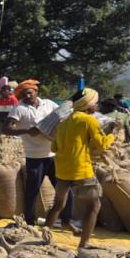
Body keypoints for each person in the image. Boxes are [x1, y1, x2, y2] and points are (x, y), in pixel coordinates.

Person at [45, 88, 114, 248]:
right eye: (95, 103)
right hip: (81, 170)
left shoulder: (64, 122)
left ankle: (44, 238)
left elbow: (54, 147)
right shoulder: (88, 120)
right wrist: (112, 136)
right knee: (94, 205)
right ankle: (83, 244)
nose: (97, 106)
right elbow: (102, 144)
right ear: (88, 105)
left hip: (62, 171)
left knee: (58, 205)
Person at [3, 79, 72, 226]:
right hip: (34, 157)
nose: (27, 96)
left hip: (53, 155)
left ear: (36, 91)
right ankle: (30, 222)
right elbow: (6, 129)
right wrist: (27, 131)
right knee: (32, 192)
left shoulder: (49, 104)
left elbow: (62, 117)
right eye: (24, 94)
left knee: (64, 188)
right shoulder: (18, 109)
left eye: (30, 93)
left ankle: (66, 219)